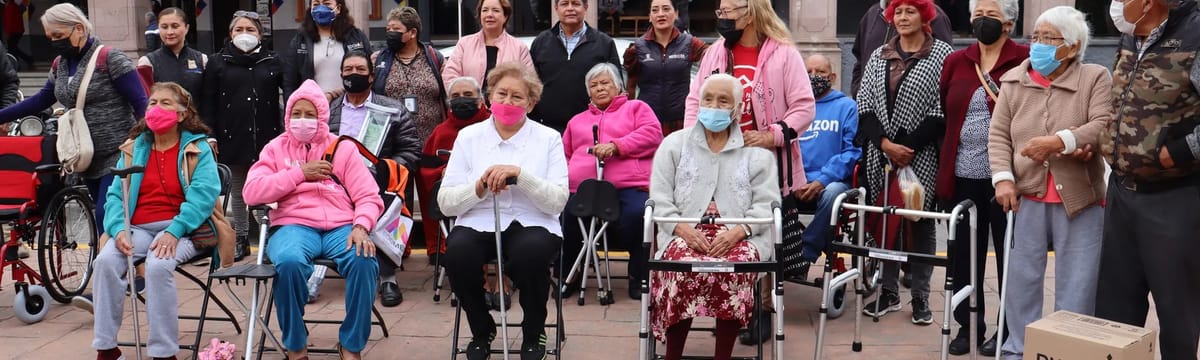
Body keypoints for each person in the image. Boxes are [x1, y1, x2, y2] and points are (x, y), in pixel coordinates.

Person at [684, 0, 815, 345]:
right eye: (720, 12)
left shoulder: (783, 53)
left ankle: (763, 309)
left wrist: (771, 134)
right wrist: (692, 143)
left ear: (752, 10)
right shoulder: (715, 52)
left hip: (767, 160)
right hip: (720, 158)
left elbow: (804, 106)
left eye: (728, 11)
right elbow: (695, 100)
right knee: (726, 232)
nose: (722, 17)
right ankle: (732, 305)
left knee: (763, 235)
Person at [988, 7, 1111, 359]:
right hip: (1026, 196)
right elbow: (998, 137)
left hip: (1081, 199)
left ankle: (1067, 350)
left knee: (1078, 282)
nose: (1037, 45)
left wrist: (1060, 142)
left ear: (1072, 47)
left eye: (1048, 38)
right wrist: (1003, 180)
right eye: (1036, 37)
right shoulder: (1013, 80)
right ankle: (1018, 349)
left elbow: (1103, 123)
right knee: (1021, 281)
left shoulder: (1094, 77)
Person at [242, 79, 383, 360]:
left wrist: (360, 226)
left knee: (363, 259)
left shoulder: (342, 148)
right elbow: (251, 192)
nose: (302, 120)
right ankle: (295, 345)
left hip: (341, 225)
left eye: (309, 114)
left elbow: (369, 196)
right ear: (287, 116)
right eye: (296, 114)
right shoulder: (275, 148)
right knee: (290, 262)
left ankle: (351, 345)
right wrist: (299, 174)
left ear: (322, 117)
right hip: (293, 224)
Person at [438, 62, 567, 360]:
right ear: (489, 98)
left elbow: (557, 201)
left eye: (517, 97)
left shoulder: (549, 139)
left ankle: (534, 332)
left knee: (531, 255)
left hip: (533, 221)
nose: (507, 102)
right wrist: (479, 186)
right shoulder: (469, 137)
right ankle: (482, 329)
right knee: (458, 255)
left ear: (531, 103)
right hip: (479, 219)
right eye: (501, 94)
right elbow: (446, 203)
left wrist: (521, 176)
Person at [649, 73, 781, 360]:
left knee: (732, 269)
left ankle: (723, 356)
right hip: (683, 231)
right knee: (682, 269)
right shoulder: (674, 145)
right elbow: (658, 199)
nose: (714, 105)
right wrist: (682, 229)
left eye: (723, 101)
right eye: (708, 99)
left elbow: (767, 205)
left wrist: (738, 231)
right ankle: (672, 355)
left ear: (737, 108)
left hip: (739, 235)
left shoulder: (756, 155)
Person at [1097, 0, 1200, 359]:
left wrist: (1183, 150)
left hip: (1173, 198)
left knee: (1176, 314)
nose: (1117, 5)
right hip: (1122, 191)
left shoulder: (1194, 35)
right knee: (1113, 312)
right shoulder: (1130, 37)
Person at [91, 82, 221, 360]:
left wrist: (174, 231)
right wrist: (118, 230)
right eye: (152, 102)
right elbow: (115, 196)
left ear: (182, 113)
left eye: (165, 103)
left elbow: (204, 196)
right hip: (136, 228)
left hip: (184, 230)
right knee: (104, 261)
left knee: (158, 265)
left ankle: (164, 352)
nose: (156, 108)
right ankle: (106, 348)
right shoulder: (134, 147)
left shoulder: (197, 148)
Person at [0, 3, 148, 234]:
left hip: (117, 152)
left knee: (106, 213)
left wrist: (143, 142)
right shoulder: (60, 64)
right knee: (108, 220)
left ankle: (119, 268)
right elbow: (41, 100)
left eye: (59, 35)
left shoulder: (110, 58)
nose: (54, 42)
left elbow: (141, 103)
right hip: (83, 155)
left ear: (79, 28)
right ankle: (118, 266)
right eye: (50, 37)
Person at [855, 0, 952, 326]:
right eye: (898, 11)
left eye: (911, 10)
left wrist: (906, 147)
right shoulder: (878, 54)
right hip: (880, 154)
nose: (904, 17)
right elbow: (864, 102)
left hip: (920, 155)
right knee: (886, 224)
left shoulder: (941, 55)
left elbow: (942, 108)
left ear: (924, 15)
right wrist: (885, 144)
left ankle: (921, 295)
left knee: (919, 222)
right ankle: (888, 291)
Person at [936, 0, 1025, 355]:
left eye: (990, 15)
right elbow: (945, 112)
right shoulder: (957, 62)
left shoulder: (1024, 60)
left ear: (1008, 23)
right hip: (962, 175)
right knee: (964, 258)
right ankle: (967, 324)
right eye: (977, 14)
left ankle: (1006, 330)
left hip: (1009, 179)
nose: (981, 21)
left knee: (1009, 257)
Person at [326, 50, 420, 307]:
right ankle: (316, 272)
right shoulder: (328, 110)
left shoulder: (392, 109)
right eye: (348, 70)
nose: (353, 74)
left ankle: (388, 277)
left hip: (380, 180)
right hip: (335, 182)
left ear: (371, 75)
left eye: (359, 69)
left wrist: (386, 169)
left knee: (384, 202)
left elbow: (411, 150)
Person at [562, 63, 663, 301]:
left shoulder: (637, 108)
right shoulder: (577, 120)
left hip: (629, 183)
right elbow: (565, 153)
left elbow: (652, 133)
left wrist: (617, 146)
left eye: (605, 83)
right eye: (594, 85)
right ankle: (570, 273)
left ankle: (638, 276)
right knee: (568, 213)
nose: (600, 88)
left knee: (639, 214)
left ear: (618, 85)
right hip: (584, 186)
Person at [201, 11, 284, 263]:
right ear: (230, 34)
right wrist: (211, 135)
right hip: (232, 135)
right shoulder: (218, 62)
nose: (244, 34)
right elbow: (208, 102)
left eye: (250, 30)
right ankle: (241, 238)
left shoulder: (273, 61)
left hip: (267, 138)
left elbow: (287, 95)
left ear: (260, 34)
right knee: (238, 190)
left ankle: (267, 238)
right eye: (239, 30)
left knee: (266, 191)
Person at [788, 54, 859, 277]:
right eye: (808, 72)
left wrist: (823, 180)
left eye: (820, 72)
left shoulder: (847, 107)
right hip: (797, 180)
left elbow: (852, 151)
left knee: (832, 195)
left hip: (832, 181)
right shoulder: (794, 108)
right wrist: (795, 179)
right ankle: (783, 254)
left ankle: (805, 253)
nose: (814, 77)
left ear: (833, 76)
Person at [417, 77, 491, 264]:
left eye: (468, 95)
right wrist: (443, 173)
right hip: (455, 200)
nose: (462, 99)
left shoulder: (495, 127)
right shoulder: (440, 133)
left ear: (481, 99)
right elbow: (426, 170)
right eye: (456, 96)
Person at [529, 0, 622, 133]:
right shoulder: (541, 42)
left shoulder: (604, 43)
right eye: (564, 4)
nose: (570, 8)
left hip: (591, 129)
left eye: (576, 4)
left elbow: (617, 88)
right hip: (546, 128)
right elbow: (530, 86)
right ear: (556, 8)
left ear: (586, 7)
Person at [622, 0, 708, 136]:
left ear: (676, 13)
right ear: (650, 16)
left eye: (666, 9)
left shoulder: (690, 43)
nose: (660, 14)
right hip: (646, 121)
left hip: (681, 121)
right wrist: (628, 118)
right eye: (655, 10)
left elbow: (714, 56)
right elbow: (630, 87)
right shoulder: (637, 48)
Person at [372, 6, 446, 147]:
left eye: (396, 29)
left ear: (412, 32)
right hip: (393, 143)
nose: (390, 33)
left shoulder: (435, 58)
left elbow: (448, 95)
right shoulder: (378, 60)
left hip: (431, 142)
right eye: (388, 30)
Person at [850, 0, 954, 97]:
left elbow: (947, 68)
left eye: (910, 12)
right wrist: (858, 92)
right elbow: (860, 58)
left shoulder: (934, 15)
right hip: (872, 106)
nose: (903, 18)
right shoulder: (872, 14)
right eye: (898, 12)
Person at [282, 0, 370, 100]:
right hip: (314, 107)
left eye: (327, 4)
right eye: (316, 4)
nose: (321, 8)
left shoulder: (355, 36)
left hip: (350, 106)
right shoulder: (300, 40)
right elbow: (289, 82)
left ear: (338, 8)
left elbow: (370, 73)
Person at [441, 0, 535, 90]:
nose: (489, 14)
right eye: (485, 10)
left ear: (505, 16)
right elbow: (449, 76)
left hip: (506, 105)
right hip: (470, 105)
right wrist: (468, 98)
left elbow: (529, 83)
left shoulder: (519, 48)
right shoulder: (464, 44)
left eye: (495, 10)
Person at [138, 8, 208, 106]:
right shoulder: (147, 62)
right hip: (162, 120)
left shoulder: (202, 59)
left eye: (175, 26)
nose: (169, 32)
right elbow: (144, 100)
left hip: (195, 120)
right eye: (164, 27)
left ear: (186, 28)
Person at [5, 1, 32, 68]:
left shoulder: (11, 6)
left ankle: (26, 60)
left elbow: (10, 21)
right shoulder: (14, 6)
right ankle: (26, 60)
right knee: (13, 48)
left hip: (14, 31)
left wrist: (8, 33)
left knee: (12, 48)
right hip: (17, 30)